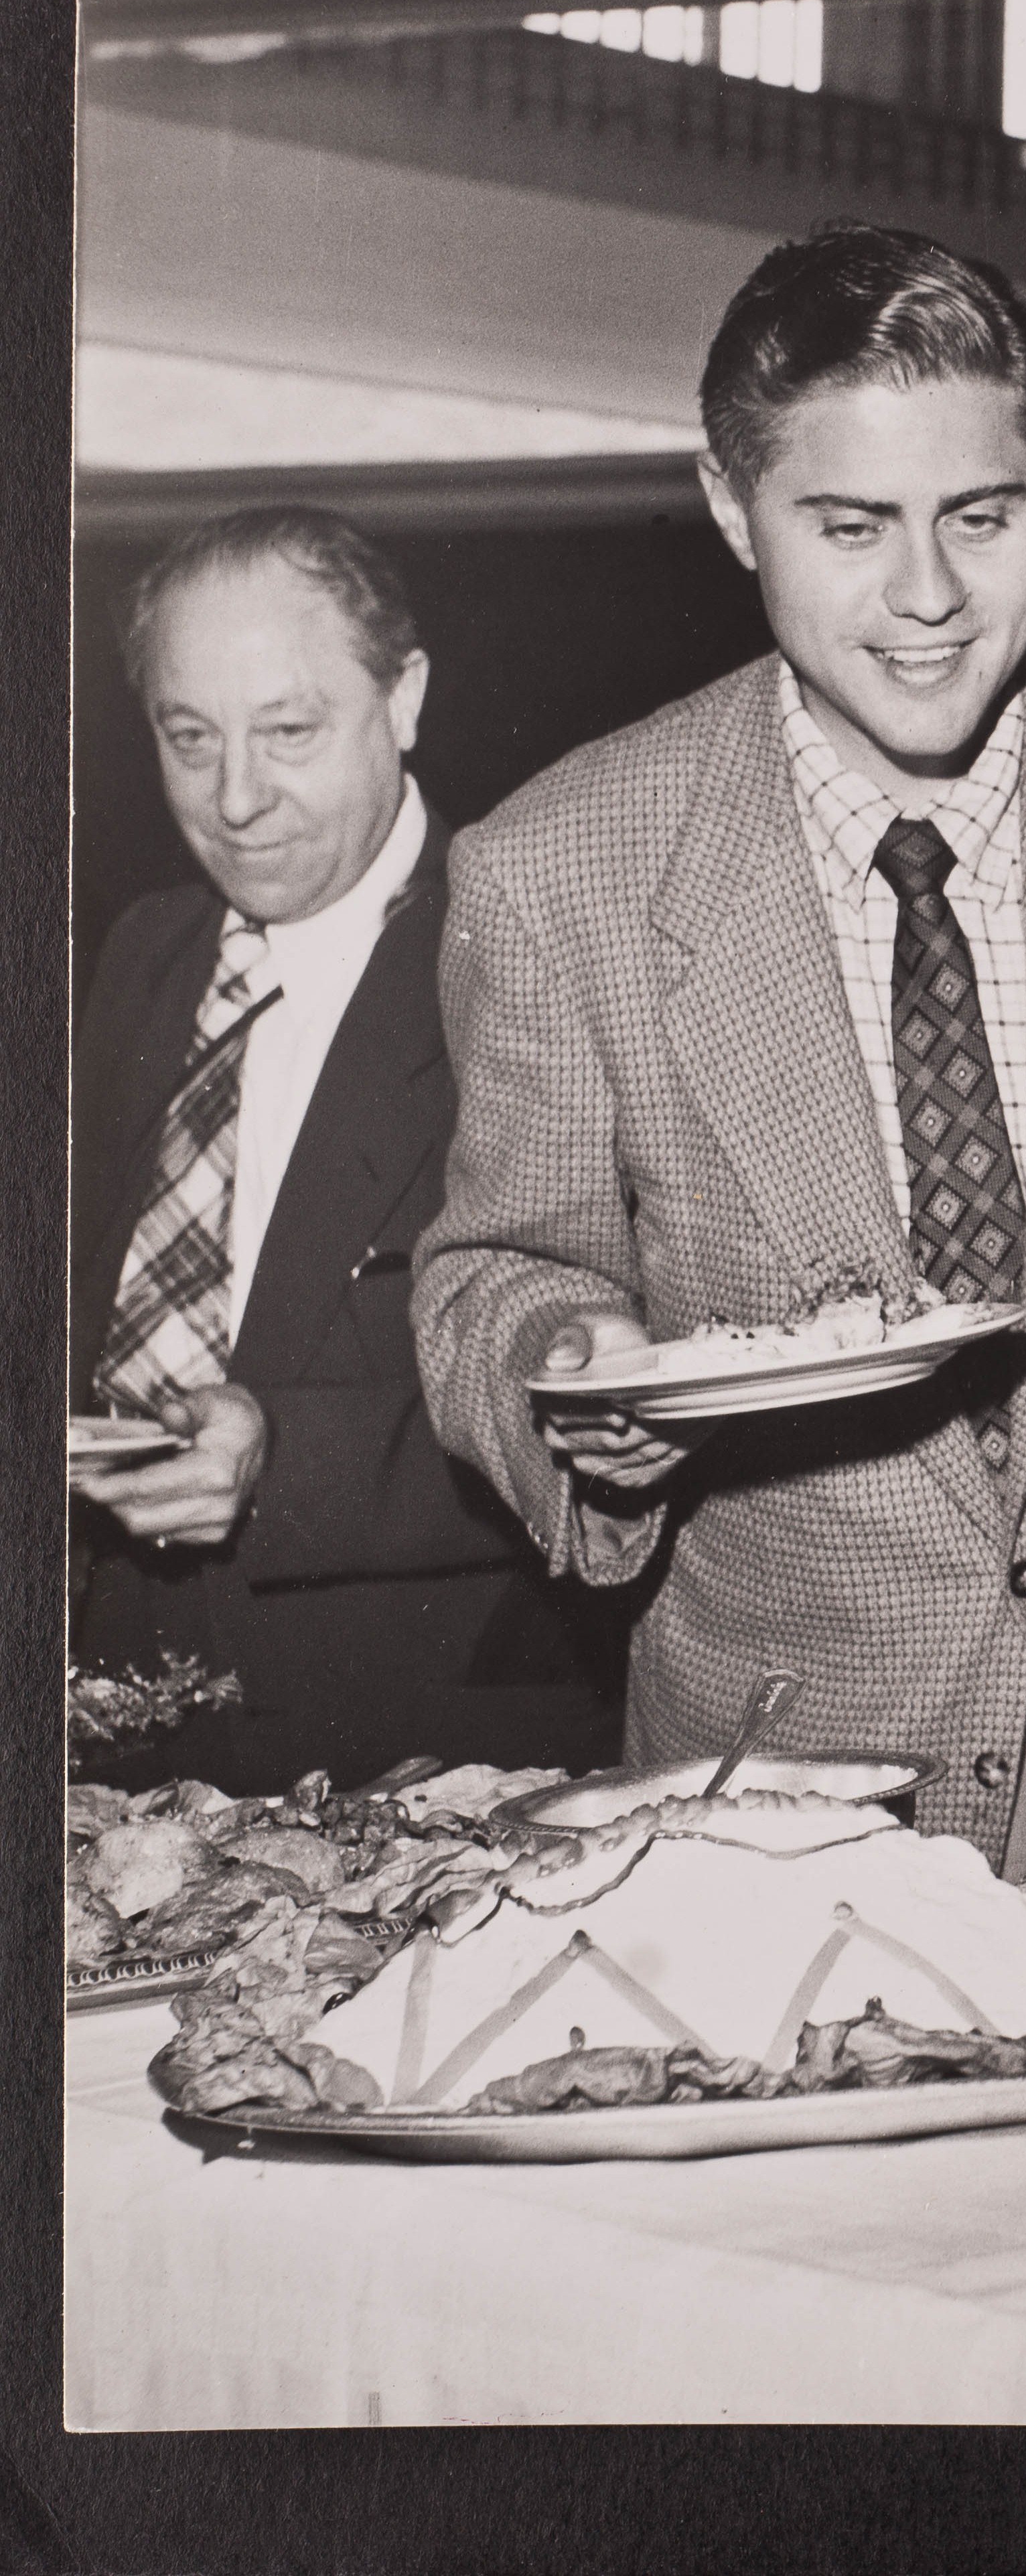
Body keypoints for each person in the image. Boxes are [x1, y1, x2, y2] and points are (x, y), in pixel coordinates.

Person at [411, 224, 1026, 1882]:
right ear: (729, 509)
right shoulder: (557, 868)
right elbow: (495, 1268)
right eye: (849, 529)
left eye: (982, 518)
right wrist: (570, 1364)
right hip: (773, 1799)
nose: (929, 599)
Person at [71, 508, 620, 1791]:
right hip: (118, 1763)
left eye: (290, 731)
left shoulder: (535, 955)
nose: (236, 799)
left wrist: (282, 1459)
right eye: (187, 738)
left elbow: (617, 1400)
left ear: (406, 697)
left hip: (421, 1763)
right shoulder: (143, 955)